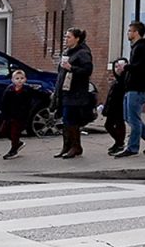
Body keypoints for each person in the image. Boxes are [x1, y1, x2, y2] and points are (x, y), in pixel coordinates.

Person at [114, 20, 145, 157]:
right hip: (131, 87)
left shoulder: (142, 48)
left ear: (136, 32)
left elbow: (140, 67)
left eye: (129, 31)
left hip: (138, 88)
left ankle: (132, 148)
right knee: (128, 117)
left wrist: (125, 67)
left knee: (133, 119)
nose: (128, 33)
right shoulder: (136, 47)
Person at [55, 27, 95, 159]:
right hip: (65, 90)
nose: (66, 39)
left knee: (70, 119)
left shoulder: (83, 53)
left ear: (77, 39)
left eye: (69, 37)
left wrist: (71, 68)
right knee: (65, 120)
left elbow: (87, 70)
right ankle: (67, 146)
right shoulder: (68, 52)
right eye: (65, 37)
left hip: (76, 92)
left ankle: (76, 146)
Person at [0, 68, 39, 159]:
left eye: (22, 78)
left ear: (25, 79)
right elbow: (4, 103)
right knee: (3, 131)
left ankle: (13, 150)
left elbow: (36, 95)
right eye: (17, 78)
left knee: (15, 132)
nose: (19, 80)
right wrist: (4, 114)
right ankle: (18, 143)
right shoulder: (9, 90)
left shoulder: (27, 90)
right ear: (12, 80)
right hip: (10, 115)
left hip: (21, 116)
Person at [102, 57, 130, 153]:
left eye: (120, 66)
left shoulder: (125, 81)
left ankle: (120, 143)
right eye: (115, 67)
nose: (117, 69)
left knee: (119, 125)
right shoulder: (116, 81)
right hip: (112, 108)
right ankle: (118, 142)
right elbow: (110, 97)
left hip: (120, 108)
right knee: (108, 125)